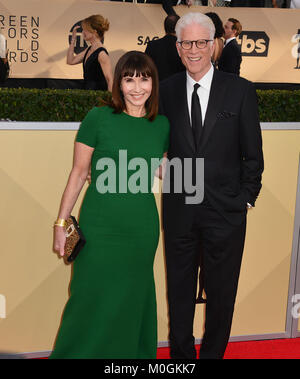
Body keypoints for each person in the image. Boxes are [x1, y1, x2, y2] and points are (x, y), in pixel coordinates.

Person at [50, 51, 170, 359]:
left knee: (133, 299)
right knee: (88, 298)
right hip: (100, 225)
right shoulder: (98, 117)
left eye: (144, 79)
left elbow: (166, 173)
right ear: (118, 84)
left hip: (141, 230)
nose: (137, 88)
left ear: (153, 84)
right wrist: (61, 224)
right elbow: (78, 173)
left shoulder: (162, 125)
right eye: (128, 80)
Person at [159, 12, 263, 359]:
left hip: (226, 213)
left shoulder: (240, 90)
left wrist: (245, 199)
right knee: (179, 293)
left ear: (214, 44)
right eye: (186, 43)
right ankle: (182, 358)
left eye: (201, 42)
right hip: (179, 211)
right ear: (177, 47)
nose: (194, 50)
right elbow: (153, 139)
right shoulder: (166, 90)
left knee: (221, 296)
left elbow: (253, 154)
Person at [67, 15, 113, 91]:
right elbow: (70, 61)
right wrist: (73, 40)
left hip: (98, 97)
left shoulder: (101, 54)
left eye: (85, 29)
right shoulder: (89, 49)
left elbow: (110, 80)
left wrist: (108, 100)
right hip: (88, 94)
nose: (82, 32)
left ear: (94, 32)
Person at [145, 15, 185, 81]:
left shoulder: (152, 45)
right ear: (179, 28)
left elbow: (145, 68)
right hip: (179, 87)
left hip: (157, 87)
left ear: (164, 27)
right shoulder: (184, 47)